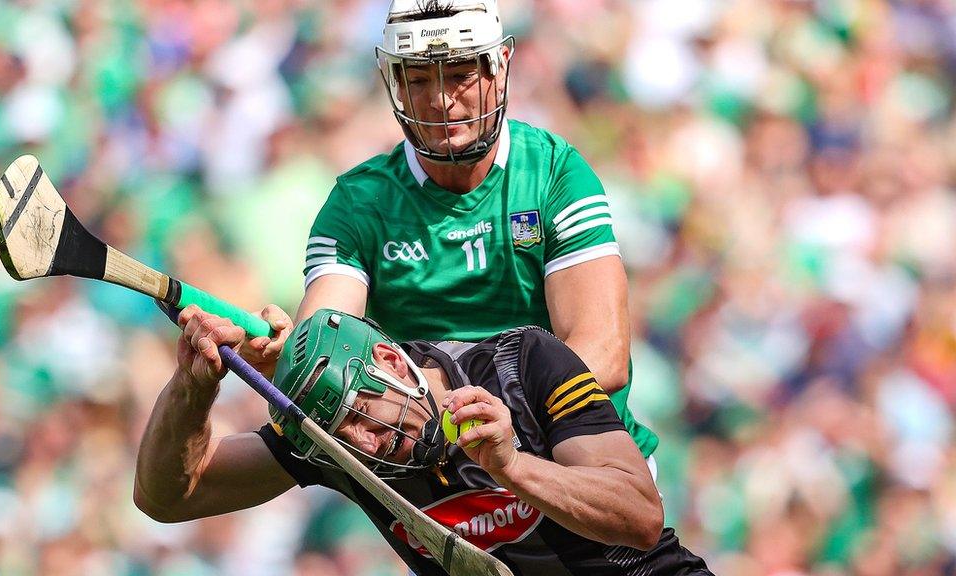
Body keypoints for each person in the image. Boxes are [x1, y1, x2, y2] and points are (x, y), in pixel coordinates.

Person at [247, 0, 660, 471]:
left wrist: (473, 407)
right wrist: (298, 359)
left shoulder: (553, 173)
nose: (440, 100)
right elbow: (329, 348)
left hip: (575, 458)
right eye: (419, 79)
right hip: (450, 474)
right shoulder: (357, 205)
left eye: (459, 74)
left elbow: (604, 357)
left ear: (500, 67)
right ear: (394, 81)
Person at [134, 306, 712, 575]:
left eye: (362, 411)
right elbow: (167, 497)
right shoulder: (337, 449)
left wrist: (514, 467)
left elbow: (639, 515)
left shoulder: (522, 363)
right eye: (343, 433)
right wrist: (193, 387)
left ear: (389, 360)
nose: (364, 440)